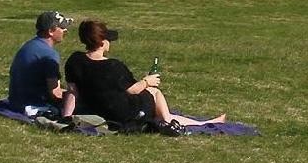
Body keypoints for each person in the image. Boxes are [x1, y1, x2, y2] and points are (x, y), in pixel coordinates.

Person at [63, 20, 225, 131]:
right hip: (122, 113)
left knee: (154, 107)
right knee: (155, 93)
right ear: (102, 42)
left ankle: (197, 122)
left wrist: (66, 117)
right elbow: (133, 90)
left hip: (97, 108)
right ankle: (172, 122)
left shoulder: (75, 61)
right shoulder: (113, 66)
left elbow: (72, 91)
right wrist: (148, 81)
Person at [8, 11, 76, 118]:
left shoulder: (29, 45)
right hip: (34, 106)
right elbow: (55, 94)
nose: (65, 31)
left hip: (15, 101)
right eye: (62, 28)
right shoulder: (49, 54)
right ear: (51, 31)